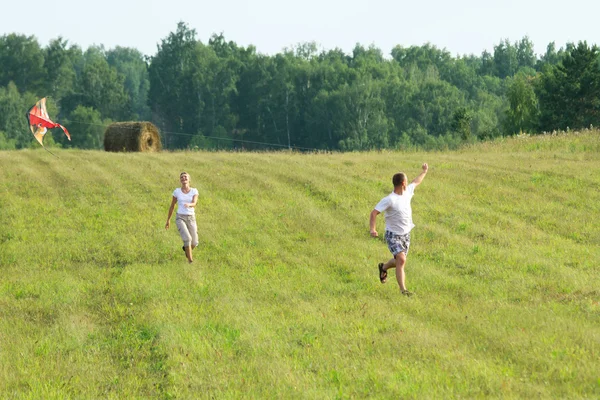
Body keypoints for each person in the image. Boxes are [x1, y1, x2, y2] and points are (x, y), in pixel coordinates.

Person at [370, 163, 429, 296]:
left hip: (406, 234)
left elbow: (416, 181)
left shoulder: (407, 192)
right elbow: (374, 213)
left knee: (398, 261)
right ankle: (404, 291)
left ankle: (383, 267)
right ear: (403, 183)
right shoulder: (389, 199)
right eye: (406, 181)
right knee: (401, 260)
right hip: (393, 235)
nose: (408, 183)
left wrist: (424, 172)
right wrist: (372, 229)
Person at [166, 172, 199, 263]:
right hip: (180, 217)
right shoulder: (177, 192)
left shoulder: (194, 191)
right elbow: (172, 206)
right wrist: (168, 220)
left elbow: (195, 203)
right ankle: (190, 261)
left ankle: (187, 250)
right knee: (187, 238)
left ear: (189, 179)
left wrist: (190, 204)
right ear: (180, 180)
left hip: (191, 217)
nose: (184, 178)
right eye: (182, 177)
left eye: (185, 177)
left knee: (195, 242)